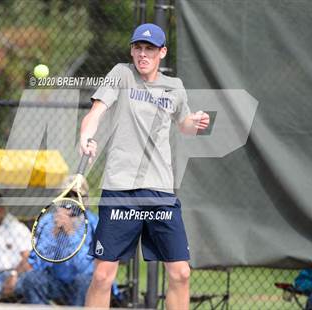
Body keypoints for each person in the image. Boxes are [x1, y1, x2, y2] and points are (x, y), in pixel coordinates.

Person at [79, 23, 210, 309]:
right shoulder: (121, 74)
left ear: (162, 52)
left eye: (149, 49)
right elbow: (95, 113)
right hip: (120, 191)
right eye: (138, 47)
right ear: (131, 50)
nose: (142, 54)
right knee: (103, 276)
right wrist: (86, 136)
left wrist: (196, 122)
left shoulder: (174, 87)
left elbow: (184, 124)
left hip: (159, 192)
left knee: (180, 273)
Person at [14, 175, 118, 306]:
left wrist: (70, 233)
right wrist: (54, 234)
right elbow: (37, 262)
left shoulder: (93, 223)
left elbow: (84, 267)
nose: (70, 201)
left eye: (75, 196)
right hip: (56, 282)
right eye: (67, 195)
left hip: (81, 281)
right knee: (31, 279)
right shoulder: (47, 221)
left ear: (84, 199)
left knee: (84, 281)